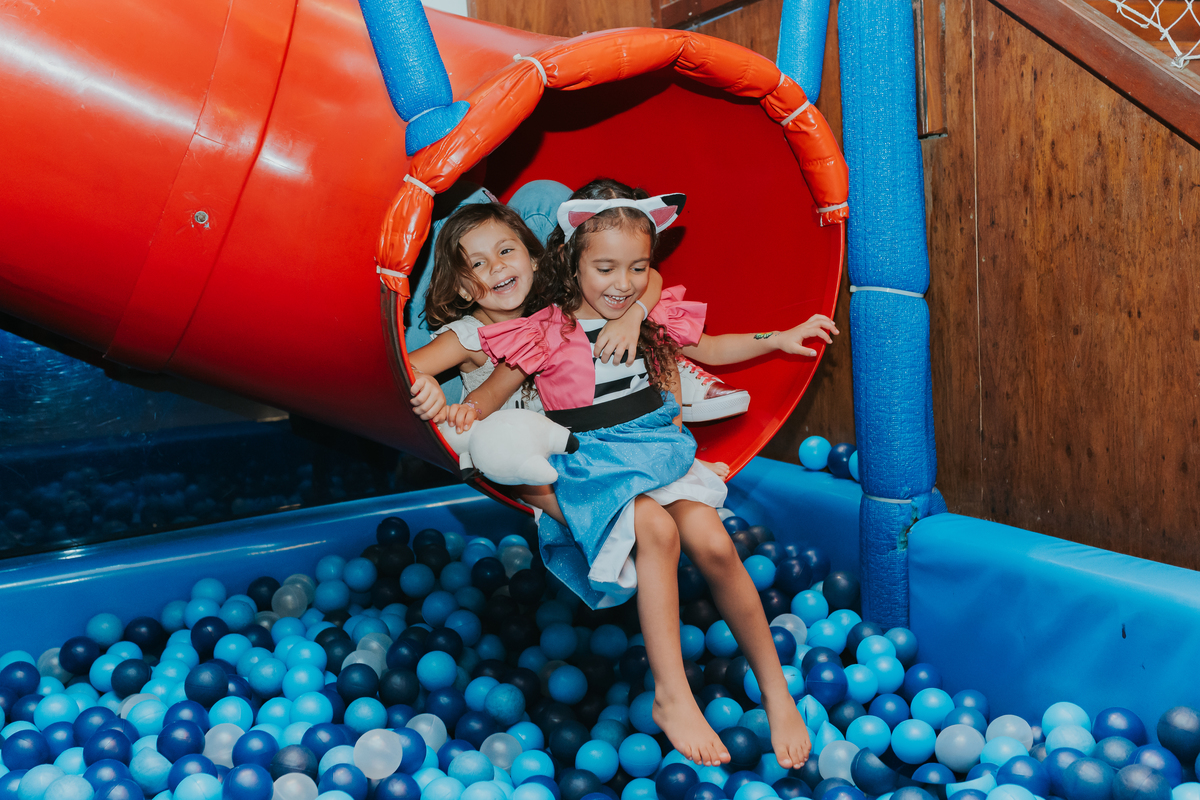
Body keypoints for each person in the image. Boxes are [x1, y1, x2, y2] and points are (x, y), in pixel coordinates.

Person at [442, 178, 837, 769]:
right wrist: (450, 413)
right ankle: (671, 695)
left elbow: (713, 346)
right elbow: (491, 397)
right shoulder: (544, 330)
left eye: (637, 268)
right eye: (605, 268)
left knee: (715, 543)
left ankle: (776, 691)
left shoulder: (646, 316)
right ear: (573, 263)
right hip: (595, 467)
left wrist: (778, 338)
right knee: (656, 530)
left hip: (658, 452)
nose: (622, 284)